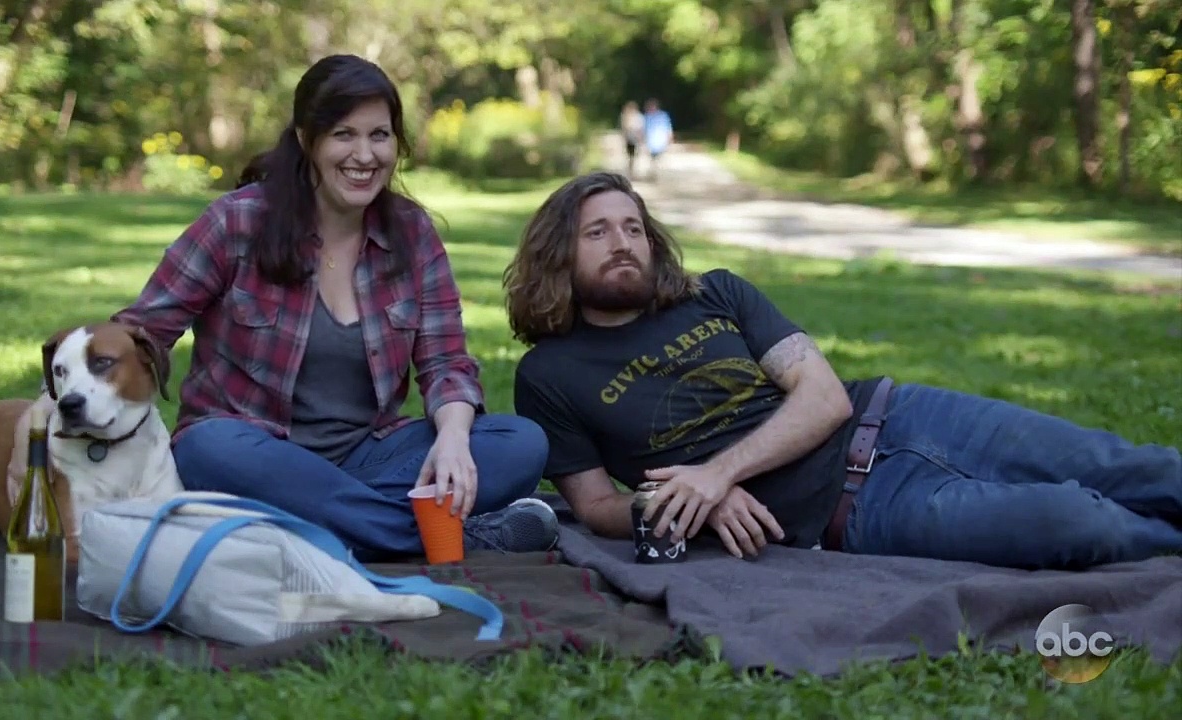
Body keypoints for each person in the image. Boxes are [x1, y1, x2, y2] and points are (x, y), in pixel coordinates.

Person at [503, 171, 1182, 571]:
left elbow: (824, 397)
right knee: (1077, 525)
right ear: (559, 253)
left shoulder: (715, 292)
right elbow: (595, 508)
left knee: (1129, 466)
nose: (622, 243)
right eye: (597, 232)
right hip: (855, 512)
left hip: (905, 416)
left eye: (633, 228)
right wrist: (687, 505)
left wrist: (717, 474)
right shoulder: (549, 373)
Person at [109, 54, 559, 561]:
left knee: (520, 442)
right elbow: (140, 333)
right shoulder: (237, 223)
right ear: (307, 139)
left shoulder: (412, 233)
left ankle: (298, 529)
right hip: (252, 455)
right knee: (205, 448)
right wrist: (58, 410)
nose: (365, 155)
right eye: (344, 134)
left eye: (379, 135)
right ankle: (448, 533)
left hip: (367, 458)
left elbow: (446, 362)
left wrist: (453, 438)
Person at [641, 99, 673, 181]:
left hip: (660, 141)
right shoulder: (647, 117)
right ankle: (654, 172)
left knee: (658, 157)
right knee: (653, 158)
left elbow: (668, 128)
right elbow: (643, 130)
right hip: (651, 142)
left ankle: (655, 172)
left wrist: (669, 138)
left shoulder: (663, 116)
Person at [619, 101, 644, 179]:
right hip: (631, 139)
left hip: (633, 139)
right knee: (632, 156)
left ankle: (631, 172)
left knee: (632, 157)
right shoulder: (629, 117)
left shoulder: (627, 117)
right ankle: (631, 172)